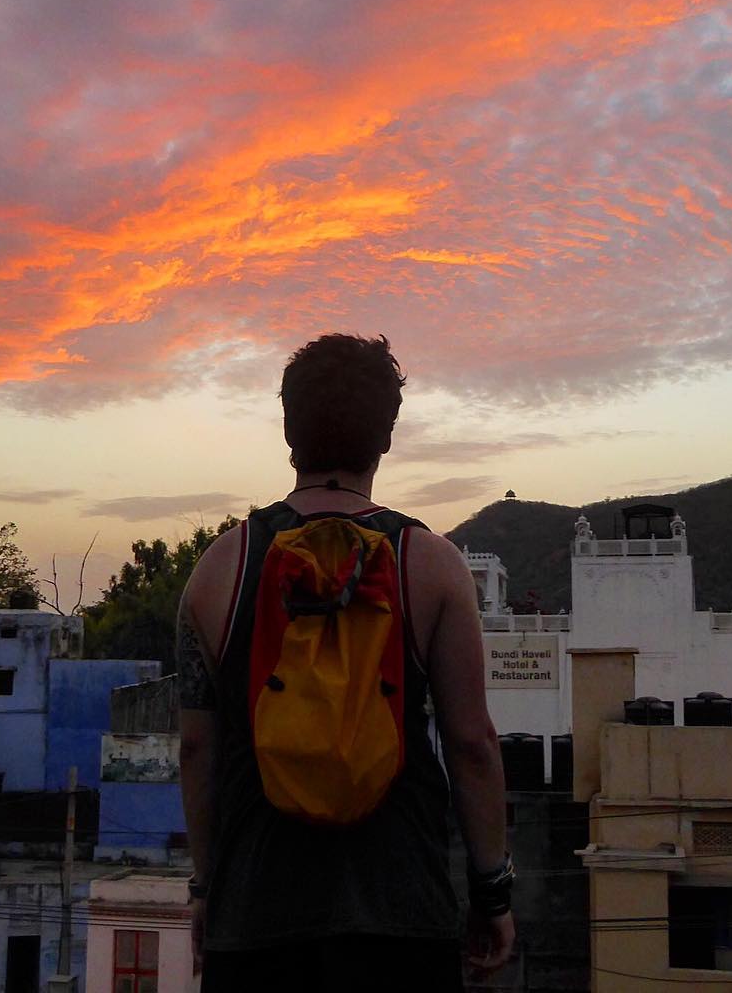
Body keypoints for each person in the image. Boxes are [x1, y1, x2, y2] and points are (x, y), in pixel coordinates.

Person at [177, 333, 515, 991]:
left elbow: (196, 747)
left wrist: (205, 887)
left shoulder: (219, 570)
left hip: (255, 920)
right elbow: (472, 743)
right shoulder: (432, 564)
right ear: (386, 436)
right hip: (401, 919)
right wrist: (492, 893)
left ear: (287, 430)